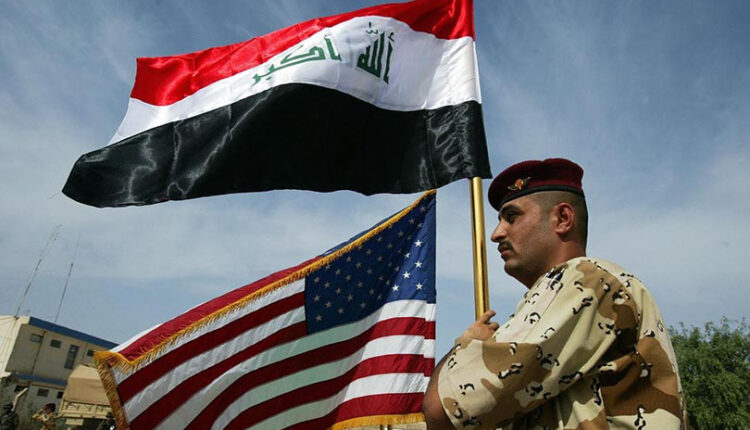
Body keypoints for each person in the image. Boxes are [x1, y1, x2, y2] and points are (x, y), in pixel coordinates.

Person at [423, 158, 687, 429]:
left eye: (512, 217)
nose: (496, 233)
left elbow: (439, 411)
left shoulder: (586, 280)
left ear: (563, 219)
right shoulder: (579, 289)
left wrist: (465, 346)